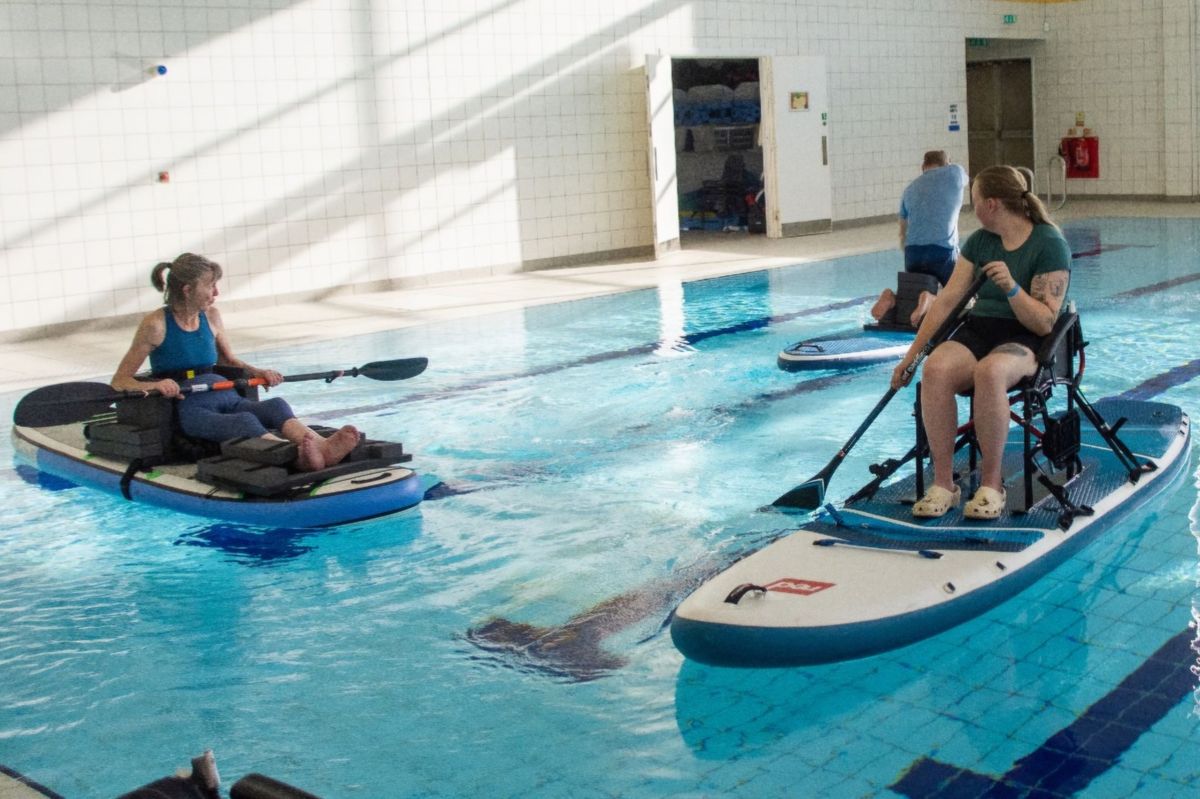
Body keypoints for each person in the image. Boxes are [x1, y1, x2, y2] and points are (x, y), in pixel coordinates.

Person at [890, 165, 1071, 520]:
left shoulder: (1050, 244)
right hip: (980, 327)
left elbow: (1045, 320)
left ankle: (992, 485)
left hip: (1026, 335)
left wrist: (1011, 288)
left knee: (990, 372)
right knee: (937, 369)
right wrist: (910, 358)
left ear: (992, 204)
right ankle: (944, 484)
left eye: (974, 201)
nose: (971, 208)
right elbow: (946, 301)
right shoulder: (979, 242)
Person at [111, 253, 361, 472]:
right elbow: (120, 380)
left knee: (275, 406)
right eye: (210, 286)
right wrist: (156, 385)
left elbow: (228, 360)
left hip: (224, 392)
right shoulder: (155, 325)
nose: (216, 293)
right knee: (244, 423)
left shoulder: (211, 316)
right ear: (187, 289)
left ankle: (323, 447)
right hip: (190, 407)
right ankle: (299, 458)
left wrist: (258, 371)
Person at [872, 150, 969, 327]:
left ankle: (892, 298)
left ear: (923, 167)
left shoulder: (909, 189)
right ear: (946, 164)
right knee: (962, 297)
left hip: (913, 253)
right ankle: (931, 299)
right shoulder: (954, 172)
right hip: (942, 252)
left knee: (910, 298)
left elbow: (903, 231)